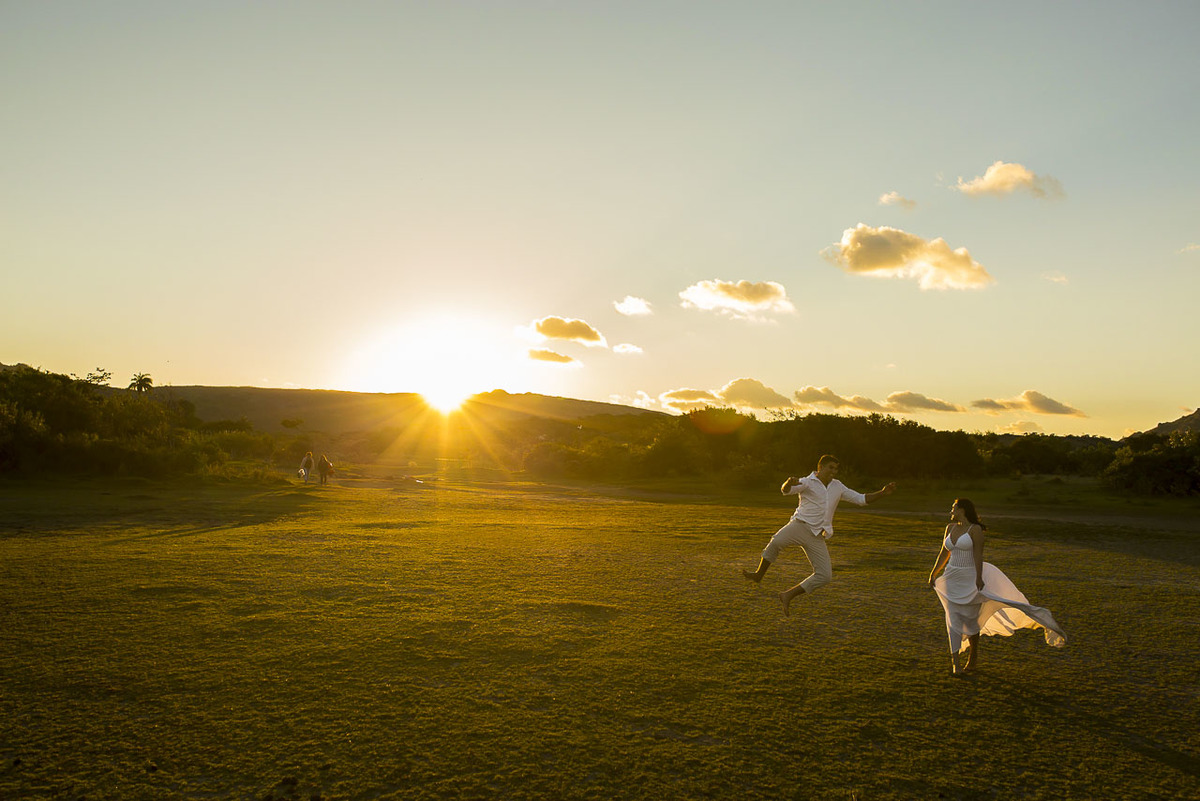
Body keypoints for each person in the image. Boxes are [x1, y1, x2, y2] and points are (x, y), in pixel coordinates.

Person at [743, 454, 897, 615]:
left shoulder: (838, 486)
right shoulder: (807, 482)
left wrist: (882, 493)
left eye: (836, 468)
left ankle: (788, 595)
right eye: (830, 467)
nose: (834, 471)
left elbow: (860, 499)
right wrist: (789, 483)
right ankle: (758, 575)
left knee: (825, 576)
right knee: (775, 542)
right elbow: (785, 490)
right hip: (799, 526)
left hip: (817, 535)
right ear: (820, 467)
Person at [927, 498, 1066, 675]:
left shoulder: (975, 530)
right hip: (951, 578)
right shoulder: (950, 527)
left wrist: (978, 578)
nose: (951, 511)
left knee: (971, 619)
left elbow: (978, 555)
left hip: (969, 578)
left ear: (962, 509)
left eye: (953, 507)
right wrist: (933, 573)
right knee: (952, 619)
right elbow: (943, 553)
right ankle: (956, 664)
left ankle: (973, 656)